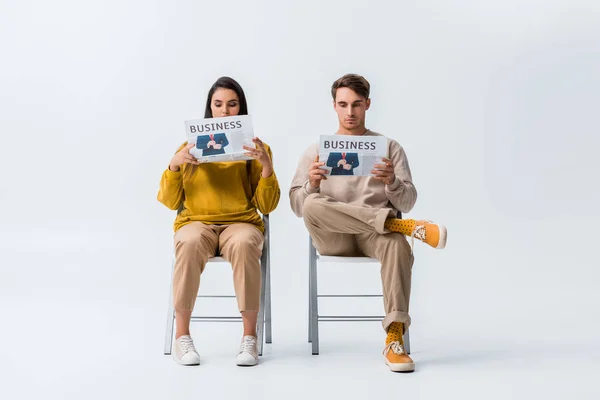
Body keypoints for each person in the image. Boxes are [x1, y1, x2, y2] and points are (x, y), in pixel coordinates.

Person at [289, 73, 447, 373]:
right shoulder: (316, 151)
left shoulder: (389, 147)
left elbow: (408, 201)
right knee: (312, 202)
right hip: (334, 236)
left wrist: (391, 184)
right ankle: (400, 225)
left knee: (399, 245)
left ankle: (394, 337)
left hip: (376, 236)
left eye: (357, 105)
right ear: (333, 106)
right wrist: (310, 184)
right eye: (343, 105)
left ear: (368, 104)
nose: (350, 113)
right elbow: (298, 206)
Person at [158, 76, 280, 367]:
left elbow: (267, 206)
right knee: (187, 243)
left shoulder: (256, 148)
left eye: (232, 104)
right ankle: (182, 336)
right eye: (218, 104)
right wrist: (175, 164)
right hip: (196, 222)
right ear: (210, 108)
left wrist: (266, 167)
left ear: (241, 109)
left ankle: (249, 336)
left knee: (245, 243)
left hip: (241, 222)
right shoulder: (187, 147)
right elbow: (169, 201)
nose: (224, 111)